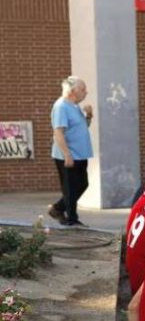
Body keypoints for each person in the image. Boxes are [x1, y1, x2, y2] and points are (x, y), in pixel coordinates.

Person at [49, 76, 93, 227]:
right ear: (72, 91)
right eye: (82, 89)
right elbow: (58, 132)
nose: (86, 92)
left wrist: (89, 116)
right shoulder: (61, 106)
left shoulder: (74, 106)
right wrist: (67, 154)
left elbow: (81, 129)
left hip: (80, 154)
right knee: (70, 187)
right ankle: (72, 220)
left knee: (82, 184)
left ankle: (57, 209)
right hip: (68, 155)